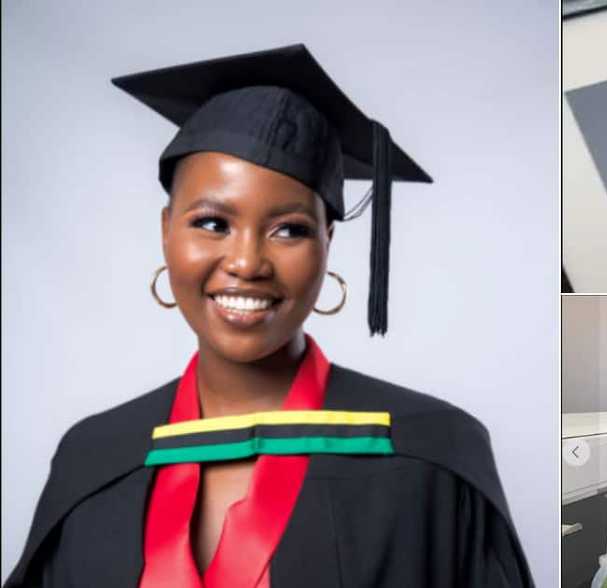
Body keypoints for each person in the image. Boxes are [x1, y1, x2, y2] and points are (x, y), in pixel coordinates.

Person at [4, 45, 531, 587]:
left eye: (290, 230)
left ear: (328, 242)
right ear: (166, 230)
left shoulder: (431, 455)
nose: (246, 262)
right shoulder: (94, 459)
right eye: (212, 223)